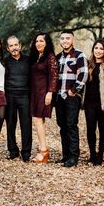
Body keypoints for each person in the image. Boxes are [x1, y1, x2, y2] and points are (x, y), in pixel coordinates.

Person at [55, 29, 88, 167]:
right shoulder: (58, 57)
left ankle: (74, 157)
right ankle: (66, 155)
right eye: (62, 38)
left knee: (71, 125)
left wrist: (73, 91)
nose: (65, 41)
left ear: (72, 40)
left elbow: (83, 74)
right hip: (59, 96)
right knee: (62, 126)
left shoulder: (79, 55)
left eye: (67, 38)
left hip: (72, 97)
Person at [83, 39, 104, 166]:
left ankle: (100, 156)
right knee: (90, 128)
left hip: (103, 103)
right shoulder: (88, 64)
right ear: (93, 50)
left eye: (101, 48)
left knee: (102, 129)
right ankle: (92, 155)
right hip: (89, 103)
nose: (98, 50)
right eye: (96, 48)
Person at [29, 32, 58, 163]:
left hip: (44, 93)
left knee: (37, 120)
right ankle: (43, 148)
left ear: (47, 43)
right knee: (39, 121)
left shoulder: (50, 57)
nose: (38, 43)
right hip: (34, 92)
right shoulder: (36, 56)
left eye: (41, 41)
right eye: (36, 41)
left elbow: (54, 76)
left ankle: (44, 151)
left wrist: (50, 92)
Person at [5, 35, 32, 162]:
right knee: (10, 124)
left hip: (25, 96)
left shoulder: (28, 60)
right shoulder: (4, 62)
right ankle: (13, 152)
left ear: (20, 46)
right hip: (9, 96)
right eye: (11, 46)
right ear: (7, 48)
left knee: (26, 124)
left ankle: (26, 153)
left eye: (16, 45)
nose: (14, 47)